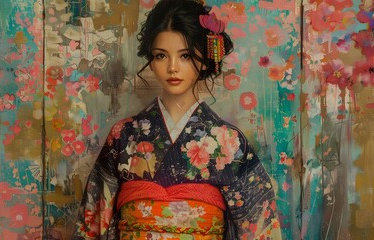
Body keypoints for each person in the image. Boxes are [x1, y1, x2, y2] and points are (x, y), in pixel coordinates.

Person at [74, 0, 282, 239]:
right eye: (161, 56)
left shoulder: (229, 142)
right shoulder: (124, 135)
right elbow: (93, 223)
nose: (172, 68)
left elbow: (259, 227)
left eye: (185, 56)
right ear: (151, 59)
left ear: (206, 57)